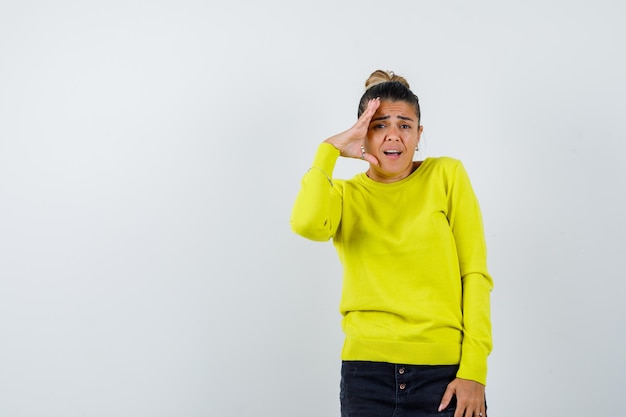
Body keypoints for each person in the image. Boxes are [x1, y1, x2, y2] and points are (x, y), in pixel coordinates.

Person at [290, 70, 493, 417]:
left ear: (419, 134)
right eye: (379, 125)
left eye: (404, 125)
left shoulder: (447, 176)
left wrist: (474, 369)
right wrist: (329, 150)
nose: (393, 136)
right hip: (366, 375)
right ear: (362, 135)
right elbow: (306, 224)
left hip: (444, 375)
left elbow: (473, 274)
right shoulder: (344, 195)